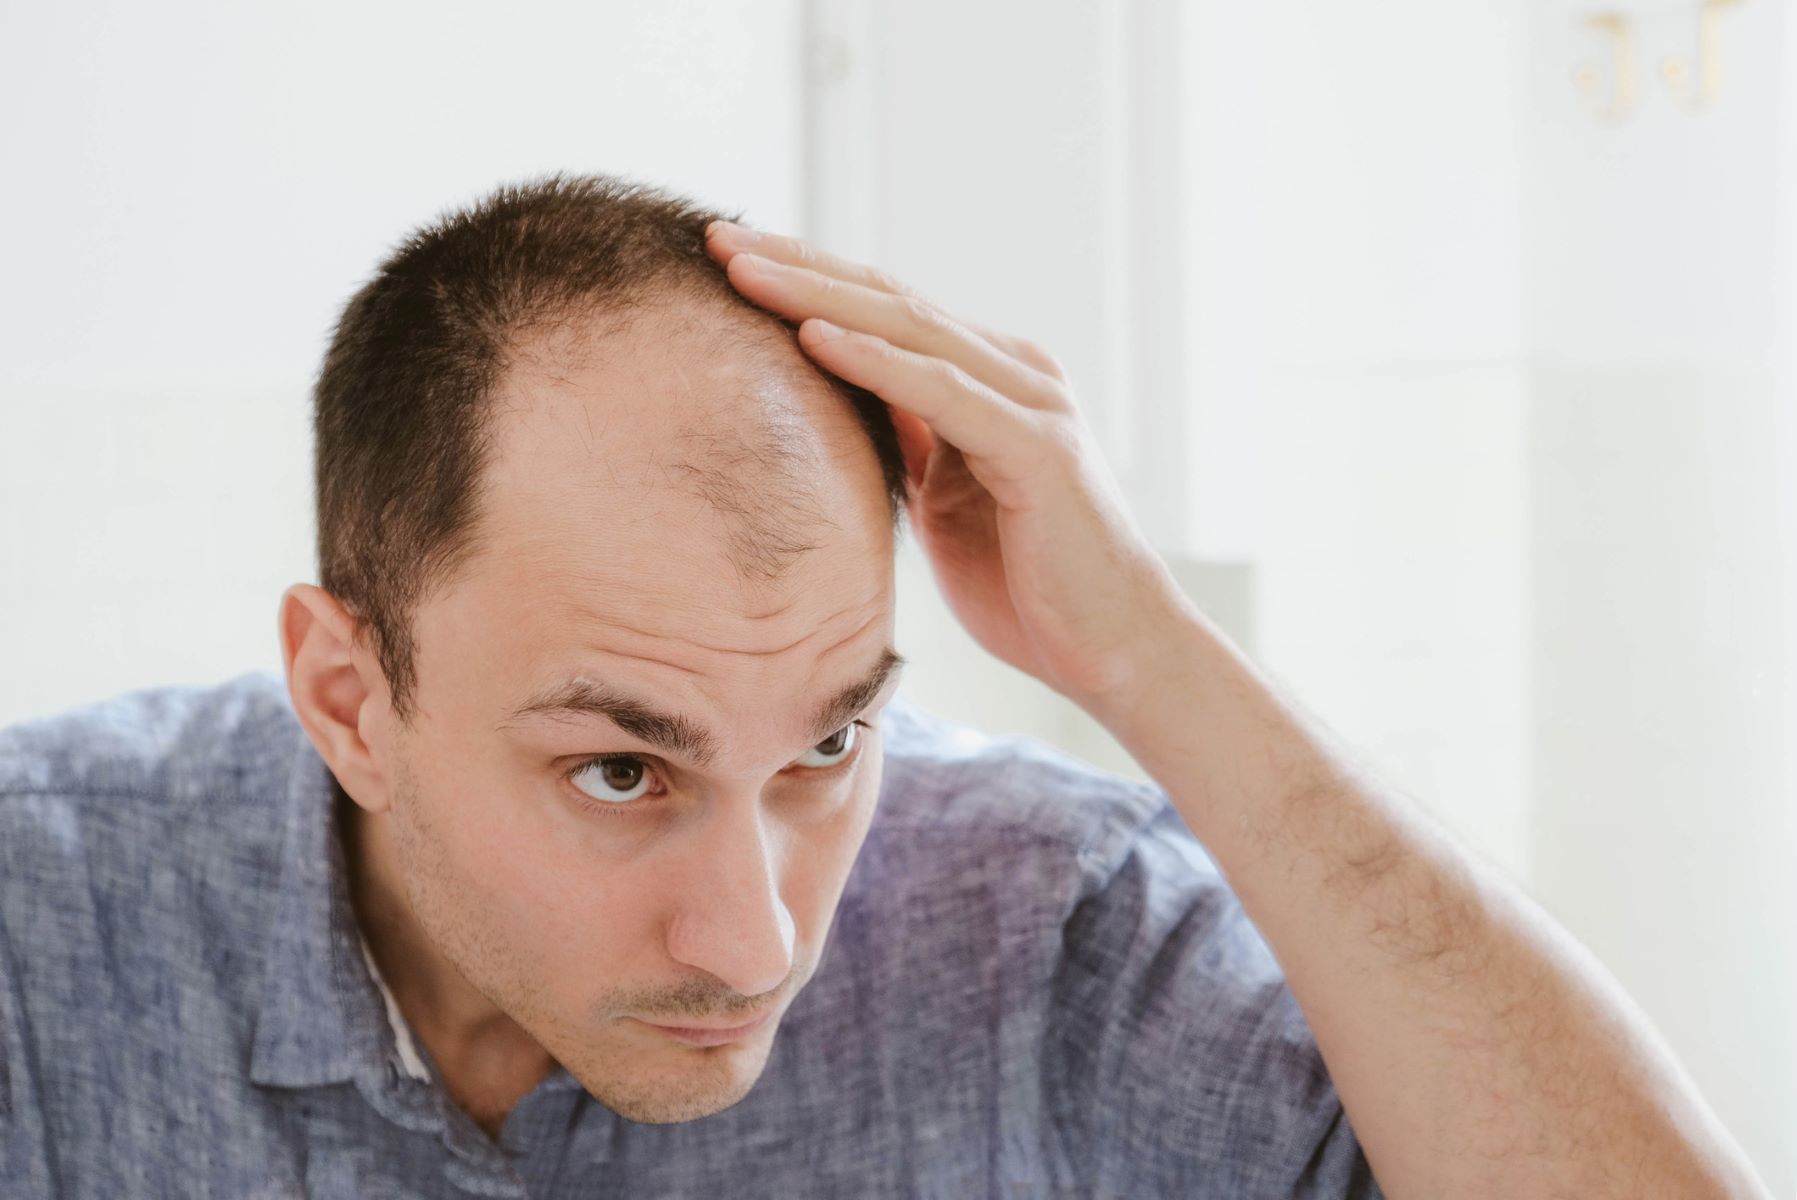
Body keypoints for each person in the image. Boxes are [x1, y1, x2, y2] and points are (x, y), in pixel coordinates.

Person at [0, 172, 1768, 1200]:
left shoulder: (1048, 922)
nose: (756, 942)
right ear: (349, 695)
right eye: (621, 769)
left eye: (828, 741)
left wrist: (1148, 653)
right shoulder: (41, 923)